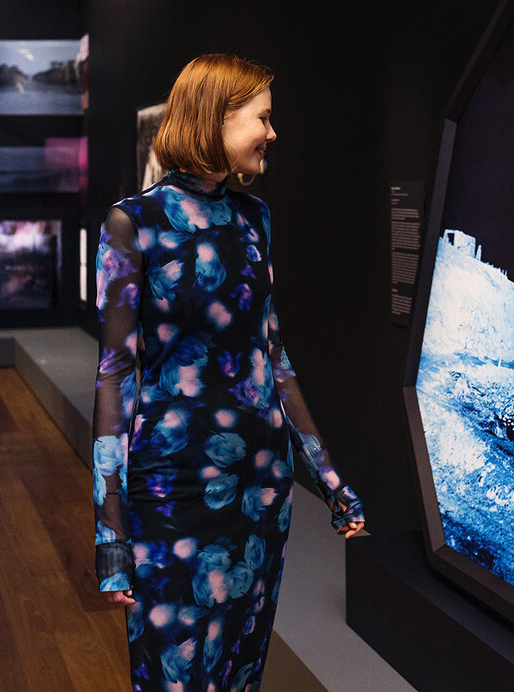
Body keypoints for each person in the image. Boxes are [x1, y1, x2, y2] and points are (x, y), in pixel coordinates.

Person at [92, 54, 365, 691]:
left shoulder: (255, 220)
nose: (273, 133)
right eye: (263, 118)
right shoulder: (135, 223)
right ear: (217, 118)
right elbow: (113, 378)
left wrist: (328, 478)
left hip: (260, 491)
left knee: (242, 673)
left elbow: (273, 360)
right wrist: (109, 533)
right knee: (174, 677)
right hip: (172, 495)